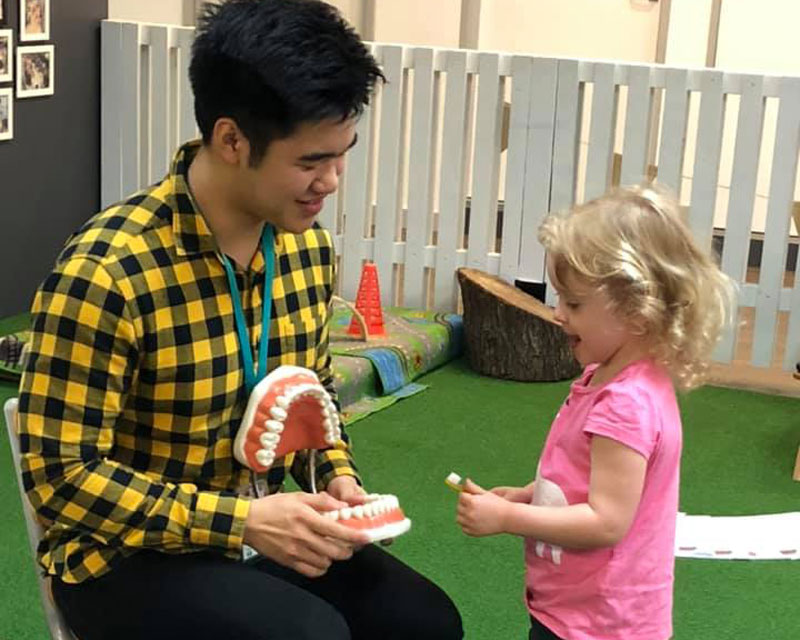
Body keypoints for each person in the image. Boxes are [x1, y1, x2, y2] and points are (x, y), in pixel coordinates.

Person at [17, 1, 463, 639]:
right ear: (231, 140)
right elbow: (61, 480)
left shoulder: (307, 251)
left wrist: (334, 475)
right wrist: (241, 522)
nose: (332, 181)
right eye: (310, 161)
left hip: (265, 530)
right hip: (123, 560)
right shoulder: (108, 270)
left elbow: (313, 400)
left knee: (425, 623)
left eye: (343, 155)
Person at [456, 184, 735, 640]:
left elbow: (606, 520)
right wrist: (530, 495)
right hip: (580, 608)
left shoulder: (626, 403)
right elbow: (586, 480)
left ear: (638, 312)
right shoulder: (611, 379)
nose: (558, 314)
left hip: (599, 624)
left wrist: (507, 520)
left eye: (575, 303)